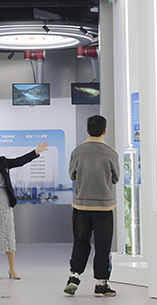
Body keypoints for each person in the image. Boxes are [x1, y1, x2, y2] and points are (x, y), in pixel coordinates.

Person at [63, 115, 120, 297]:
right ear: (104, 131)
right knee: (103, 246)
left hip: (81, 206)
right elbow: (116, 178)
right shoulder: (111, 153)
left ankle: (74, 277)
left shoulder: (77, 152)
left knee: (81, 241)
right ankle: (101, 285)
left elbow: (72, 175)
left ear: (87, 130)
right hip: (104, 208)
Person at [0, 140, 49, 280]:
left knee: (9, 233)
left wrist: (36, 152)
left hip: (5, 199)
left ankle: (12, 269)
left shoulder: (2, 161)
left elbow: (19, 161)